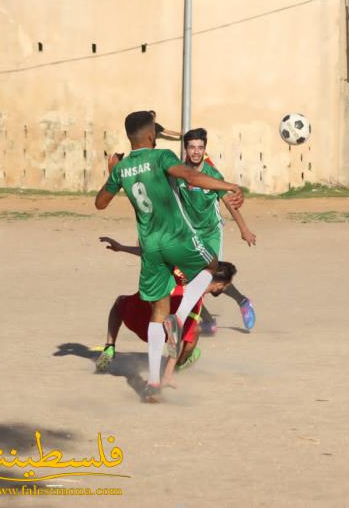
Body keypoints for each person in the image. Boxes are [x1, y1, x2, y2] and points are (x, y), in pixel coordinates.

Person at [95, 110, 244, 402]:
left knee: (156, 312)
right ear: (151, 135)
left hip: (149, 246)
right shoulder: (161, 157)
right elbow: (190, 175)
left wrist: (114, 173)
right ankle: (179, 316)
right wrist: (228, 186)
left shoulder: (121, 168)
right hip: (177, 238)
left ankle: (152, 384)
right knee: (212, 265)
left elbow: (100, 203)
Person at [95, 236, 236, 376]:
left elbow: (150, 254)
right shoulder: (195, 302)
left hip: (134, 317)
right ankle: (177, 366)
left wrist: (121, 248)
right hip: (157, 334)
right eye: (226, 286)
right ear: (219, 285)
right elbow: (177, 341)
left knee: (119, 302)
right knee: (193, 331)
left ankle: (109, 347)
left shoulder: (178, 266)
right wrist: (168, 373)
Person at [178, 128, 257, 331]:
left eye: (200, 148)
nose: (196, 152)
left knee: (211, 278)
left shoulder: (212, 175)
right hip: (189, 234)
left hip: (210, 233)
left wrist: (243, 229)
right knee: (185, 279)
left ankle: (242, 301)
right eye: (192, 147)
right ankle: (206, 318)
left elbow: (230, 203)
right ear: (185, 148)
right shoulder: (178, 173)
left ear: (205, 149)